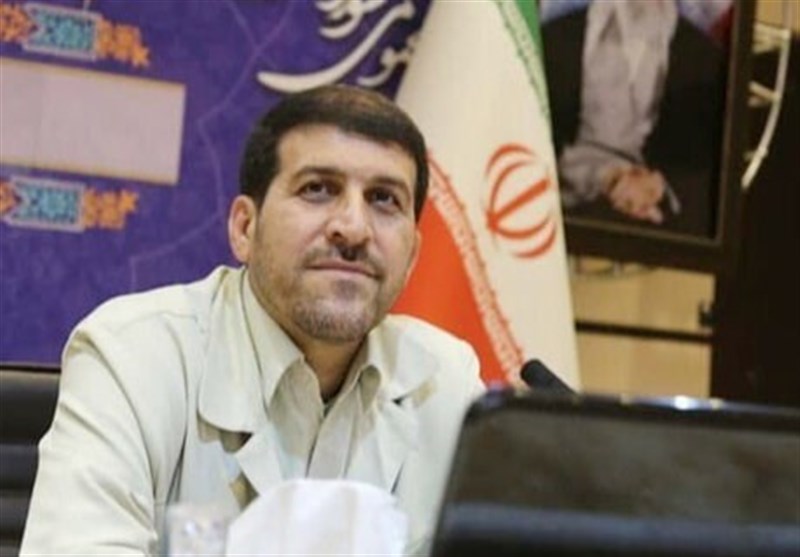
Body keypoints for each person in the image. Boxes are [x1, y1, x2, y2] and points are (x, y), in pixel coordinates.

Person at [20, 85, 485, 555]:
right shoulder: (133, 356)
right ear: (245, 227)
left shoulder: (448, 385)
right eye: (318, 189)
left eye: (383, 199)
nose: (353, 229)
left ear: (412, 256)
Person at [543, 0, 726, 236]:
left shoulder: (707, 62)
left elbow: (709, 175)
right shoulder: (553, 37)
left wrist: (658, 189)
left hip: (654, 230)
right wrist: (607, 177)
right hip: (548, 215)